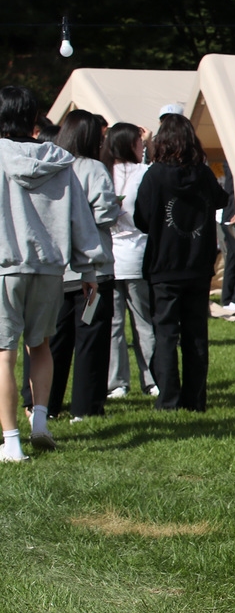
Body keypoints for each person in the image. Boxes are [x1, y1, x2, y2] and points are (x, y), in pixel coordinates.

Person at [0, 86, 103, 461]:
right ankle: (40, 420)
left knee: (4, 354)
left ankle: (11, 441)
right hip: (49, 269)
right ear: (33, 118)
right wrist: (90, 267)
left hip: (5, 267)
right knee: (39, 345)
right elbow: (81, 217)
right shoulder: (61, 161)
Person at [134, 113, 227, 412]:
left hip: (164, 265)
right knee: (196, 333)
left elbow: (142, 219)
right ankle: (195, 400)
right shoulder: (202, 173)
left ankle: (169, 399)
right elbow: (221, 200)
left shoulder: (155, 175)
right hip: (198, 265)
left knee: (165, 333)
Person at [30, 110, 119, 421]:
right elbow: (105, 214)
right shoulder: (94, 168)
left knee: (52, 341)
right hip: (91, 269)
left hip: (55, 268)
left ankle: (46, 404)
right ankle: (85, 406)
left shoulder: (50, 164)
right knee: (90, 340)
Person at [103, 122, 158, 398]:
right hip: (135, 255)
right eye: (139, 142)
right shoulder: (143, 172)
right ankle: (150, 379)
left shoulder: (104, 172)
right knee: (143, 322)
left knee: (116, 325)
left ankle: (117, 382)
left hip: (112, 257)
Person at [217, 166, 235, 316]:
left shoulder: (231, 162)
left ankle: (228, 299)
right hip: (232, 216)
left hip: (228, 215)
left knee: (233, 260)